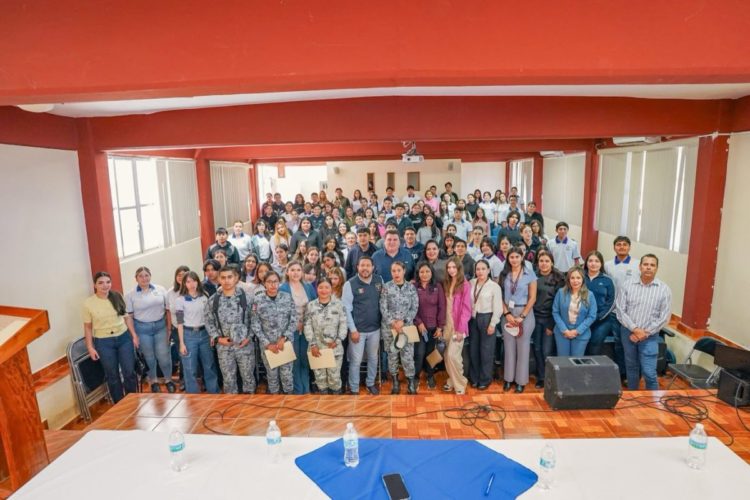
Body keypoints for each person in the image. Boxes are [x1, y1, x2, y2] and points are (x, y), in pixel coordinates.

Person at [615, 254, 672, 391]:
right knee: (631, 368)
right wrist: (635, 329)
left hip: (650, 336)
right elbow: (620, 310)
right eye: (646, 264)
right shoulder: (627, 285)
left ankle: (653, 401)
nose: (648, 267)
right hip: (628, 333)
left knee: (649, 372)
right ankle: (633, 396)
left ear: (656, 268)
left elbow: (664, 317)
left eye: (652, 265)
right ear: (640, 267)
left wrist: (644, 333)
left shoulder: (664, 289)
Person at [82, 271, 138, 403]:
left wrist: (134, 335)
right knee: (112, 376)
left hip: (124, 338)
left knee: (129, 372)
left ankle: (132, 401)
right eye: (101, 283)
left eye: (108, 282)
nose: (105, 285)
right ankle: (119, 404)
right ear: (95, 285)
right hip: (103, 342)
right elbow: (88, 327)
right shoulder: (88, 303)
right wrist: (90, 347)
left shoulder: (117, 296)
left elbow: (127, 318)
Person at [204, 266, 256, 394]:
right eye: (223, 278)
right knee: (228, 380)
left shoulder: (247, 298)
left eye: (229, 277)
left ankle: (250, 402)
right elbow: (209, 321)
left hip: (244, 346)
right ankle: (232, 404)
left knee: (248, 378)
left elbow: (254, 320)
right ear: (218, 279)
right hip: (224, 348)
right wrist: (217, 338)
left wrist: (248, 338)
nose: (226, 280)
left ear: (236, 278)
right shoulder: (213, 300)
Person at [125, 267, 173, 393]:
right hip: (142, 329)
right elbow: (129, 317)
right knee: (149, 357)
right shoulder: (130, 295)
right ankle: (154, 381)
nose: (144, 278)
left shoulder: (160, 289)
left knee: (164, 356)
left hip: (160, 327)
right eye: (140, 276)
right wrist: (134, 335)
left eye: (146, 275)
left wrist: (169, 328)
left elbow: (168, 310)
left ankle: (168, 380)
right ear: (136, 278)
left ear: (150, 276)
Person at [342, 256, 384, 395]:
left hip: (375, 329)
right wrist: (353, 330)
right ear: (357, 267)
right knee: (356, 361)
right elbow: (346, 309)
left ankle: (370, 383)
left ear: (373, 267)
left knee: (373, 358)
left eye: (368, 265)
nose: (365, 268)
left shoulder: (379, 280)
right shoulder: (350, 284)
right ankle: (354, 388)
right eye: (362, 265)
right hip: (358, 331)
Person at [251, 271, 297, 394]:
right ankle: (274, 399)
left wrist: (284, 337)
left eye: (275, 281)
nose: (273, 285)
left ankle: (288, 399)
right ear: (264, 283)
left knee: (287, 375)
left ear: (279, 282)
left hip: (285, 344)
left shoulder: (287, 297)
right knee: (272, 376)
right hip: (268, 346)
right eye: (269, 282)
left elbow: (293, 319)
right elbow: (255, 324)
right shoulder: (257, 300)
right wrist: (267, 343)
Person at [499, 247, 537, 393]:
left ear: (522, 257)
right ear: (508, 259)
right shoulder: (504, 274)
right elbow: (500, 295)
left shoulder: (530, 274)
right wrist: (506, 313)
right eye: (511, 257)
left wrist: (522, 316)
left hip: (524, 313)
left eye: (517, 257)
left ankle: (521, 381)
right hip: (507, 313)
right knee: (508, 347)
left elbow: (532, 298)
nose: (514, 260)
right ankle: (508, 379)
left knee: (523, 348)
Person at [175, 271, 219, 394]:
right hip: (189, 335)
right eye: (188, 281)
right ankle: (193, 395)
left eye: (194, 281)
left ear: (198, 282)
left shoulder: (204, 296)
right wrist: (182, 343)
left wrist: (211, 334)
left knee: (209, 365)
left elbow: (209, 318)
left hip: (205, 333)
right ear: (184, 284)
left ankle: (214, 392)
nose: (192, 284)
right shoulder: (180, 300)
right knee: (190, 368)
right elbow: (179, 323)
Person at [380, 261, 419, 394]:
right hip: (390, 328)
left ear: (404, 271)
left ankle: (410, 382)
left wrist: (404, 321)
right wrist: (393, 322)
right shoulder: (386, 287)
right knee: (392, 355)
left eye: (399, 270)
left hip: (406, 328)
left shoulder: (411, 288)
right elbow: (383, 307)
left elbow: (415, 307)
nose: (396, 273)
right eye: (393, 271)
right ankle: (395, 382)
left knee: (408, 356)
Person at [280, 262, 317, 394]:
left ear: (302, 272)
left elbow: (314, 305)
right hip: (291, 330)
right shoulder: (282, 288)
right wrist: (295, 324)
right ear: (287, 272)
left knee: (305, 360)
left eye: (298, 270)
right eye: (292, 270)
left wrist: (306, 323)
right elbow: (281, 312)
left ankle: (306, 389)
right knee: (294, 361)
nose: (295, 273)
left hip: (307, 329)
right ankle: (297, 390)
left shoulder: (308, 287)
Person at [531, 249, 565, 388]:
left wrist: (551, 325)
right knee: (537, 349)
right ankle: (541, 377)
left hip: (549, 320)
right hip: (534, 318)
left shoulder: (559, 279)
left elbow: (559, 305)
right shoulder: (532, 277)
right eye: (541, 261)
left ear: (552, 263)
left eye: (547, 261)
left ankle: (549, 377)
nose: (544, 264)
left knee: (547, 351)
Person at [468, 260, 503, 390]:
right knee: (473, 350)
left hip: (487, 318)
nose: (480, 272)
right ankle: (474, 378)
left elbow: (498, 308)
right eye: (478, 269)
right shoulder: (471, 283)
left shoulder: (494, 286)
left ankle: (485, 379)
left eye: (483, 269)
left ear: (488, 270)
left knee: (486, 351)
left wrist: (493, 324)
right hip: (473, 319)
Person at [441, 257, 472, 395]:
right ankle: (452, 380)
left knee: (453, 356)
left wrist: (460, 329)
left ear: (459, 268)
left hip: (458, 326)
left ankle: (460, 383)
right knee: (447, 356)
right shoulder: (446, 283)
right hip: (446, 325)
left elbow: (466, 309)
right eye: (449, 267)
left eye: (454, 267)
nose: (451, 270)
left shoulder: (465, 285)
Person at [552, 266, 597, 356]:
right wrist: (565, 330)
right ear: (568, 279)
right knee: (563, 361)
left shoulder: (590, 295)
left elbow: (592, 316)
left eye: (578, 278)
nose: (575, 281)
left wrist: (577, 331)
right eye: (572, 278)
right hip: (562, 333)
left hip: (581, 334)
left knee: (576, 361)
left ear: (583, 279)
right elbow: (555, 312)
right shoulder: (561, 292)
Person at [413, 262, 445, 390]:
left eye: (427, 271)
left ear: (432, 273)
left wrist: (440, 327)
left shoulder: (438, 287)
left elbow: (442, 307)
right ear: (418, 273)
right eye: (422, 272)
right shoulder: (413, 287)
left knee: (431, 354)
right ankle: (415, 377)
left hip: (433, 328)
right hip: (419, 328)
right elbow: (411, 307)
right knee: (419, 354)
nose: (424, 274)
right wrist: (418, 322)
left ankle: (430, 375)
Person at [583, 251, 616, 355]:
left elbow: (611, 302)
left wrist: (598, 316)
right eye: (590, 261)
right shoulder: (580, 277)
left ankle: (592, 365)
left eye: (597, 261)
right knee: (582, 344)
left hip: (601, 320)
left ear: (601, 263)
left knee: (595, 343)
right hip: (581, 319)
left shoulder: (607, 280)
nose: (593, 264)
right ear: (586, 263)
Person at [166, 266, 190, 389]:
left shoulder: (192, 289)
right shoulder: (170, 293)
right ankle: (184, 380)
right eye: (179, 274)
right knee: (182, 355)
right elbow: (168, 312)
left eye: (184, 274)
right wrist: (169, 329)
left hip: (191, 328)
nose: (181, 277)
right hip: (176, 328)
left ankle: (196, 379)